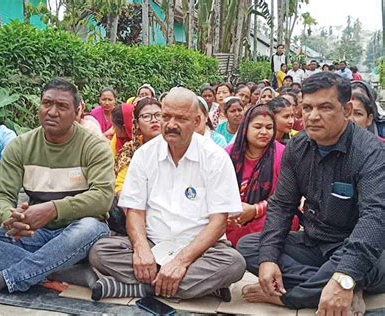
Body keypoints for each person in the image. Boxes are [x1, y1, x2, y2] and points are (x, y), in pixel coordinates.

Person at [0, 79, 114, 298]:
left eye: (62, 106)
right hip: (36, 233)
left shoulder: (94, 146)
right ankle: (61, 271)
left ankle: (2, 280)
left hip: (79, 233)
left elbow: (103, 197)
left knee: (90, 227)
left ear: (78, 110)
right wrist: (11, 218)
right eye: (46, 103)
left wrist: (52, 209)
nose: (52, 112)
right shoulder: (21, 146)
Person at [237, 72, 385, 314]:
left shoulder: (371, 153)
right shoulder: (297, 147)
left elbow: (374, 219)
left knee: (367, 262)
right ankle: (343, 287)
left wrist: (345, 272)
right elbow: (282, 206)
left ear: (346, 110)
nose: (313, 116)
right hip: (313, 243)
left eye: (325, 107)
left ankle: (295, 296)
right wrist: (268, 260)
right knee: (250, 247)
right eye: (307, 107)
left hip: (356, 244)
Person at [89, 87, 246, 302]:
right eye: (167, 116)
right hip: (154, 244)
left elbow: (218, 223)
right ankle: (201, 287)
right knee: (100, 251)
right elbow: (134, 210)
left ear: (197, 120)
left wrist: (182, 261)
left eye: (181, 118)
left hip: (200, 250)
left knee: (234, 263)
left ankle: (138, 289)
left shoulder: (216, 158)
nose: (171, 124)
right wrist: (142, 249)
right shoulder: (144, 155)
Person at [226, 105, 298, 247]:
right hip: (233, 216)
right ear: (246, 128)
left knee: (290, 219)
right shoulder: (228, 154)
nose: (264, 132)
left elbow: (286, 197)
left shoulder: (283, 154)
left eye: (269, 127)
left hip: (265, 214)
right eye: (258, 127)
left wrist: (255, 211)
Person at [114, 98, 162, 195]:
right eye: (146, 116)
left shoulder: (175, 146)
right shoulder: (130, 150)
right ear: (136, 123)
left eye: (158, 115)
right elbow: (121, 187)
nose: (154, 120)